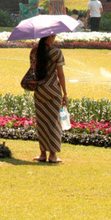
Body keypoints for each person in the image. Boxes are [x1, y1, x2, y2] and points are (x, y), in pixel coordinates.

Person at [30, 34, 67, 164]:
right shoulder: (56, 52)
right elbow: (60, 75)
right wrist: (65, 94)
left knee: (42, 122)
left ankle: (42, 153)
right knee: (54, 122)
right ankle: (53, 155)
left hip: (39, 90)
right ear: (49, 37)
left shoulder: (35, 51)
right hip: (53, 90)